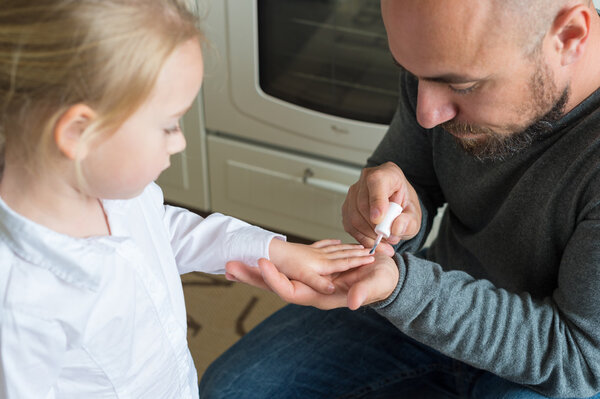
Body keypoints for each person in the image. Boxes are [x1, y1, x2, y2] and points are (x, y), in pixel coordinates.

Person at [199, 0, 600, 398]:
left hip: (551, 362)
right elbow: (413, 179)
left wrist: (403, 289)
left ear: (568, 36)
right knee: (229, 391)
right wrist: (389, 213)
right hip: (434, 293)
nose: (428, 113)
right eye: (413, 75)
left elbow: (579, 361)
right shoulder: (437, 59)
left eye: (461, 86)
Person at [0, 1, 374, 397]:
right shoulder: (21, 304)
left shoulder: (107, 187)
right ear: (79, 133)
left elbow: (163, 231)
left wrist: (272, 251)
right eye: (168, 126)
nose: (179, 142)